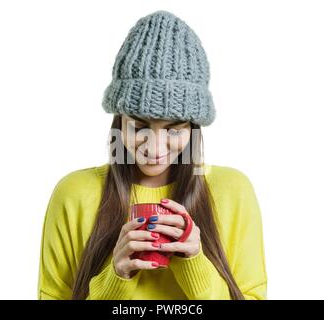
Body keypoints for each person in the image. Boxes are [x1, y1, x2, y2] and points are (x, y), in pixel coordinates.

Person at [37, 10, 267, 300]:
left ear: (193, 128)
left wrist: (194, 261)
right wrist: (116, 277)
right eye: (139, 126)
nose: (155, 148)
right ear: (119, 122)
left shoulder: (232, 191)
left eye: (174, 129)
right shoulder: (74, 194)